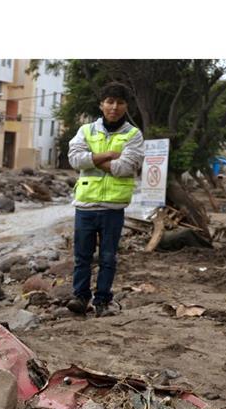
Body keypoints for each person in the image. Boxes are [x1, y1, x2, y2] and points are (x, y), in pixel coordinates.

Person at [66, 81, 145, 317]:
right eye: (110, 102)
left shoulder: (133, 134)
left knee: (108, 257)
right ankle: (80, 297)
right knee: (82, 257)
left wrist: (93, 158)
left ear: (126, 106)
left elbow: (126, 167)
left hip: (113, 207)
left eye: (120, 102)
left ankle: (102, 300)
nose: (114, 107)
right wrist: (108, 154)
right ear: (101, 105)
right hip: (86, 204)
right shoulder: (86, 130)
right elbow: (75, 160)